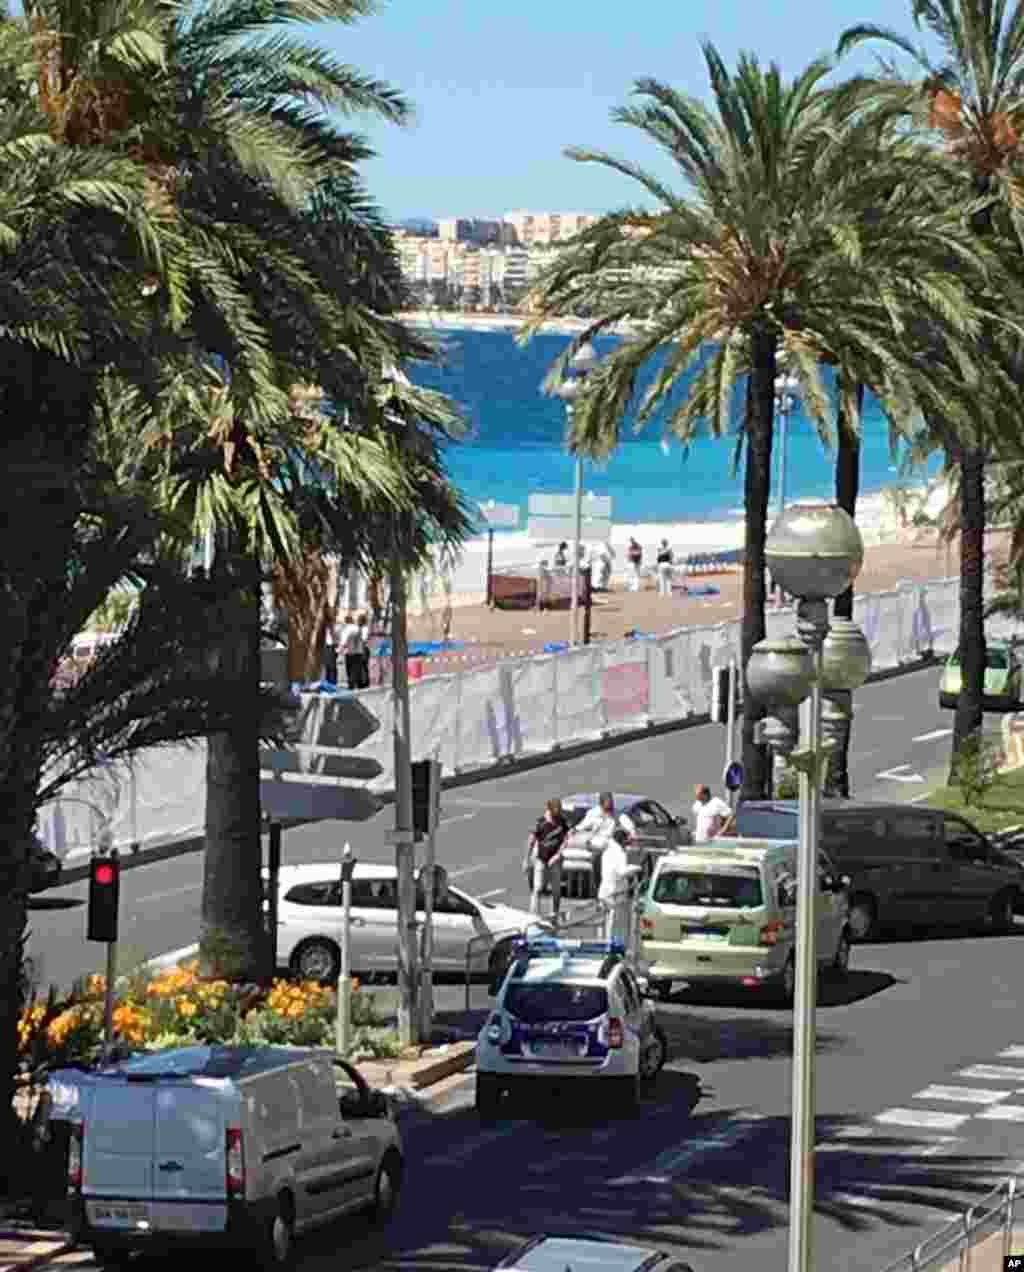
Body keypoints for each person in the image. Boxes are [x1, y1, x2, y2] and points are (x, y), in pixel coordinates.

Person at [526, 797, 570, 918]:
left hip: (556, 860)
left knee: (556, 889)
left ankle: (554, 913)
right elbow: (531, 840)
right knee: (538, 888)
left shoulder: (563, 822)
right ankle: (533, 915)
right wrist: (526, 859)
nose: (558, 814)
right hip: (541, 859)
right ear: (549, 810)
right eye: (555, 811)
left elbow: (566, 840)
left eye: (559, 811)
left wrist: (557, 855)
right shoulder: (540, 822)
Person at [598, 826, 635, 944]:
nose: (627, 845)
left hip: (604, 890)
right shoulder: (619, 852)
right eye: (626, 842)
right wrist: (636, 868)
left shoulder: (607, 850)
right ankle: (610, 948)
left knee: (603, 921)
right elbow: (622, 871)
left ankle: (602, 944)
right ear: (622, 840)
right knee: (614, 923)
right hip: (615, 894)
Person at [336, 612, 364, 690]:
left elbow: (343, 642)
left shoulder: (346, 629)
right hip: (359, 652)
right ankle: (356, 685)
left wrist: (339, 650)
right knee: (356, 669)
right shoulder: (357, 627)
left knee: (349, 669)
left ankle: (351, 686)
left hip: (350, 652)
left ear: (345, 621)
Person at [355, 611, 371, 688]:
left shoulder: (364, 629)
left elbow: (364, 640)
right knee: (361, 666)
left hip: (363, 649)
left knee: (363, 666)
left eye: (358, 620)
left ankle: (364, 683)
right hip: (360, 648)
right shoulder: (360, 628)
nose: (357, 621)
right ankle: (361, 682)